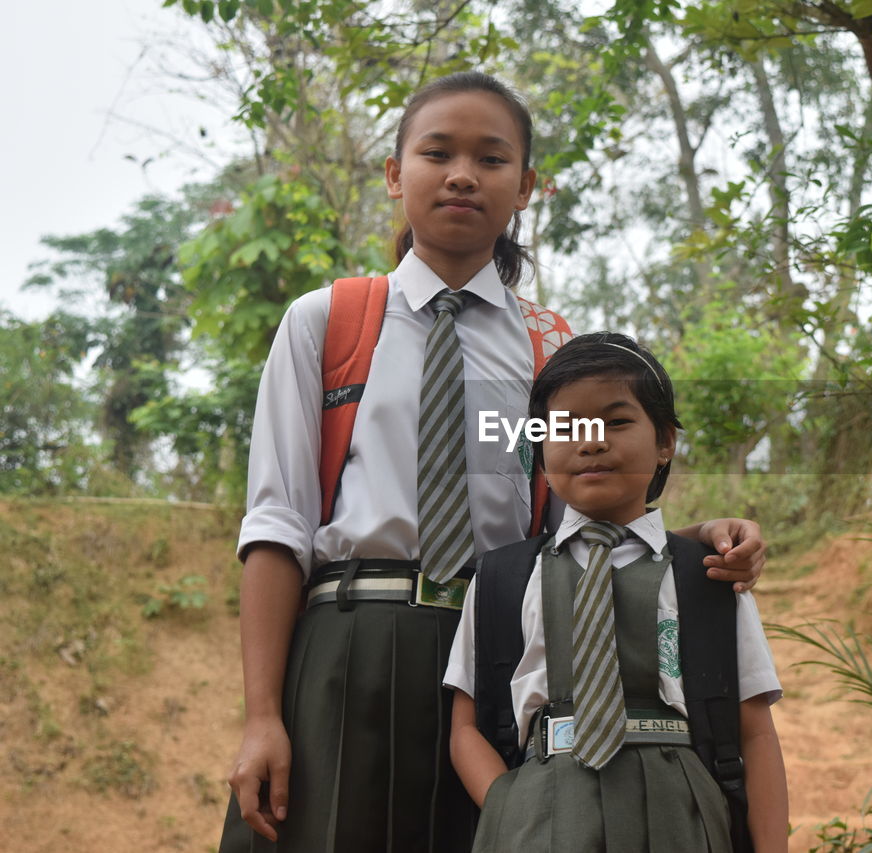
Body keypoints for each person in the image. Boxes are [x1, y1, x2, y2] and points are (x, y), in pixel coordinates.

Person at [219, 72, 767, 853]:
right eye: (436, 152)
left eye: (492, 159)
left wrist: (693, 537)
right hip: (348, 647)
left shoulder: (551, 348)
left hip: (505, 653)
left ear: (527, 187)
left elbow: (586, 510)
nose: (462, 175)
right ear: (394, 173)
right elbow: (277, 525)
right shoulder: (327, 321)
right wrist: (263, 714)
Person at [446, 333, 788, 853]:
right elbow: (466, 728)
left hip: (684, 814)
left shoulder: (712, 577)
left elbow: (756, 732)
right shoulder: (501, 579)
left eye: (617, 421)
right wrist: (509, 806)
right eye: (565, 426)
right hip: (539, 812)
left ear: (666, 440)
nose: (591, 441)